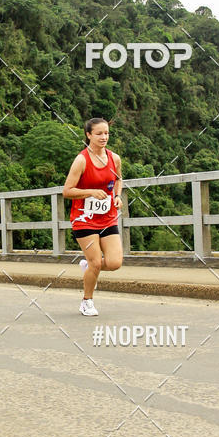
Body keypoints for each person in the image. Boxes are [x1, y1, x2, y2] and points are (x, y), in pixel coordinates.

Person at [62, 118, 123, 315]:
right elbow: (67, 191)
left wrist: (118, 196)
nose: (104, 137)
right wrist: (90, 192)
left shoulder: (114, 158)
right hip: (84, 218)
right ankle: (87, 301)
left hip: (107, 217)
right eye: (99, 134)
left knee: (114, 263)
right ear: (88, 135)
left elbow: (119, 179)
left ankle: (88, 267)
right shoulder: (81, 160)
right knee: (96, 262)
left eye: (106, 133)